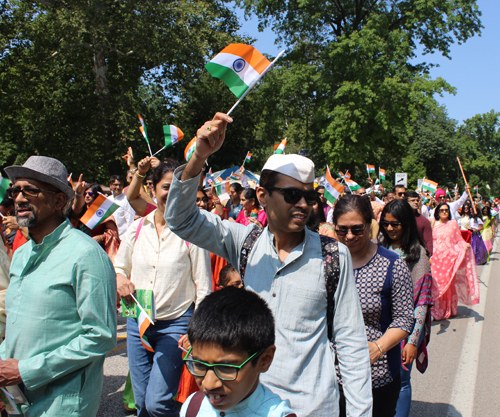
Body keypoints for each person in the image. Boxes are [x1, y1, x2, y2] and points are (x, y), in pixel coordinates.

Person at [165, 113, 372, 417]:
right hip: (247, 405)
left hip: (311, 408)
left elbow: (351, 343)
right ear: (262, 196)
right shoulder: (243, 242)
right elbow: (180, 219)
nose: (303, 204)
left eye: (309, 196)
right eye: (292, 195)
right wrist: (199, 156)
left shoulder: (333, 256)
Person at [0, 156, 116, 416]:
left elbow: (101, 336)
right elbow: (18, 324)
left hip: (63, 403)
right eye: (15, 190)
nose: (19, 198)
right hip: (20, 399)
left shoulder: (85, 255)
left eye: (30, 190)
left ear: (59, 201)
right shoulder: (20, 255)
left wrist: (25, 370)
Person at [115, 159, 212, 417]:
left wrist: (196, 331)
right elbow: (119, 266)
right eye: (166, 186)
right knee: (141, 403)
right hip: (138, 324)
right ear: (153, 188)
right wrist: (120, 279)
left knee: (158, 403)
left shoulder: (193, 232)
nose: (171, 194)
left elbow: (204, 287)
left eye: (179, 188)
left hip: (176, 325)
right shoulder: (137, 229)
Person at [332, 194, 414, 417]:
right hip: (330, 378)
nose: (349, 236)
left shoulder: (392, 264)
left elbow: (405, 318)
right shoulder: (327, 262)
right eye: (342, 230)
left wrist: (378, 347)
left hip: (377, 377)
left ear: (370, 226)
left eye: (357, 229)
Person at [180, 287, 295, 417]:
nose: (209, 384)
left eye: (226, 368)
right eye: (200, 365)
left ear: (264, 360)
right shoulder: (193, 407)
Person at [378, 200, 433, 417]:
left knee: (401, 379)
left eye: (396, 224)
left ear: (407, 224)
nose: (390, 228)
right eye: (386, 223)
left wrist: (412, 341)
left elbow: (422, 304)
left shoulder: (419, 255)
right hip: (380, 323)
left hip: (407, 327)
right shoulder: (377, 247)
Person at [430, 203, 480, 321]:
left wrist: (464, 245)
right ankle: (436, 310)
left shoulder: (453, 224)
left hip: (449, 260)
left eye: (446, 210)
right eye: (441, 210)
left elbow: (458, 240)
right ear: (437, 212)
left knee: (448, 286)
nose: (444, 212)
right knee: (436, 284)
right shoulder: (433, 223)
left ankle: (449, 309)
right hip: (436, 260)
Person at [72, 183, 121, 262]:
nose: (87, 196)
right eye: (85, 193)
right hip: (79, 247)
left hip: (97, 250)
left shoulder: (104, 212)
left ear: (97, 195)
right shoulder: (80, 210)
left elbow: (113, 233)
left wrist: (100, 237)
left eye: (90, 194)